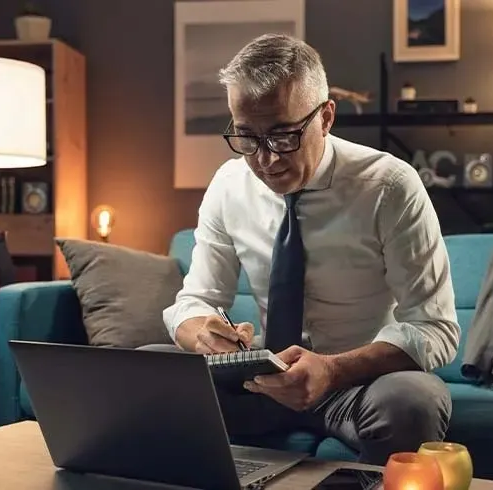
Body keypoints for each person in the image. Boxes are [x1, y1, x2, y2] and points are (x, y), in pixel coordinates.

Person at [157, 33, 459, 466]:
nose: (266, 160)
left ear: (326, 117)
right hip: (260, 383)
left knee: (413, 401)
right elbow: (194, 302)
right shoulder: (228, 185)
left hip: (358, 385)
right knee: (148, 369)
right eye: (247, 137)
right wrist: (205, 334)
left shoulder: (390, 187)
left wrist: (332, 370)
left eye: (284, 136)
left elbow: (435, 328)